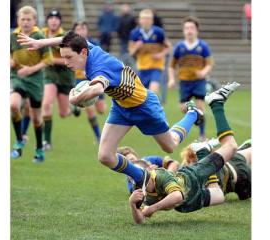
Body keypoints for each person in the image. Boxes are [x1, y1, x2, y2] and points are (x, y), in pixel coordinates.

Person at [17, 30, 205, 209]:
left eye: (68, 58)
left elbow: (98, 89)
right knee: (105, 156)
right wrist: (40, 43)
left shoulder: (99, 68)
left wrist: (74, 98)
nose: (66, 62)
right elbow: (64, 39)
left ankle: (192, 114)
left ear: (83, 52)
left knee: (170, 145)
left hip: (144, 107)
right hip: (121, 107)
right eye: (64, 57)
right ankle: (141, 176)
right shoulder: (86, 48)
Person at [129, 82, 240, 224]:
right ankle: (202, 145)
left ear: (151, 169)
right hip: (187, 203)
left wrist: (152, 209)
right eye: (135, 177)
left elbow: (177, 197)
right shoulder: (139, 191)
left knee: (231, 146)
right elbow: (140, 220)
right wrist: (133, 205)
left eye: (139, 174)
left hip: (195, 175)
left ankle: (216, 104)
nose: (137, 179)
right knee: (219, 197)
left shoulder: (160, 175)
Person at [10, 6, 52, 162]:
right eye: (22, 19)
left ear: (34, 20)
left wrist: (30, 70)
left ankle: (39, 148)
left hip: (35, 81)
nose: (25, 22)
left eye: (28, 19)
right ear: (18, 20)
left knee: (36, 118)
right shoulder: (12, 36)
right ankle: (20, 140)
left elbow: (48, 60)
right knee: (13, 105)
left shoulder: (39, 35)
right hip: (17, 78)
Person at [168, 16, 214, 140]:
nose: (189, 30)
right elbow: (172, 66)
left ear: (196, 30)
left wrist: (204, 72)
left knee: (200, 107)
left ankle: (202, 135)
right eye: (187, 28)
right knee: (183, 108)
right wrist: (171, 79)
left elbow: (209, 63)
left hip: (199, 82)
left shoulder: (203, 46)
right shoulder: (179, 47)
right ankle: (194, 117)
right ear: (183, 30)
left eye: (192, 28)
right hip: (184, 82)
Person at [41, 10, 76, 150]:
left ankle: (73, 109)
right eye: (51, 18)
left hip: (65, 77)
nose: (54, 20)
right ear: (47, 21)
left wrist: (53, 59)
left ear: (60, 21)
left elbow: (71, 58)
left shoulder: (66, 37)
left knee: (63, 113)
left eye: (56, 18)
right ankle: (46, 141)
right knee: (47, 104)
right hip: (49, 75)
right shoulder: (40, 34)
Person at [181, 138, 251, 200]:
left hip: (239, 173)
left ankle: (205, 149)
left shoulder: (204, 176)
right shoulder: (190, 171)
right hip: (231, 162)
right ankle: (244, 147)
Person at [72, 21, 107, 143]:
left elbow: (101, 59)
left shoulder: (94, 43)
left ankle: (75, 105)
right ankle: (99, 136)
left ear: (87, 31)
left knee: (101, 110)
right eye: (78, 29)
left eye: (83, 28)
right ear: (74, 31)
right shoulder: (71, 46)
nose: (81, 31)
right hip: (80, 79)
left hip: (95, 78)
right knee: (89, 108)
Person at [129, 9, 171, 94]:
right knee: (143, 95)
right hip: (142, 68)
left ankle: (154, 104)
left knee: (152, 91)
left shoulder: (159, 32)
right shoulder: (135, 33)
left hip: (156, 67)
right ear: (140, 20)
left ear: (152, 21)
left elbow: (168, 48)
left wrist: (161, 54)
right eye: (144, 18)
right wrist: (136, 47)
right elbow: (131, 52)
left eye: (148, 19)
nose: (146, 21)